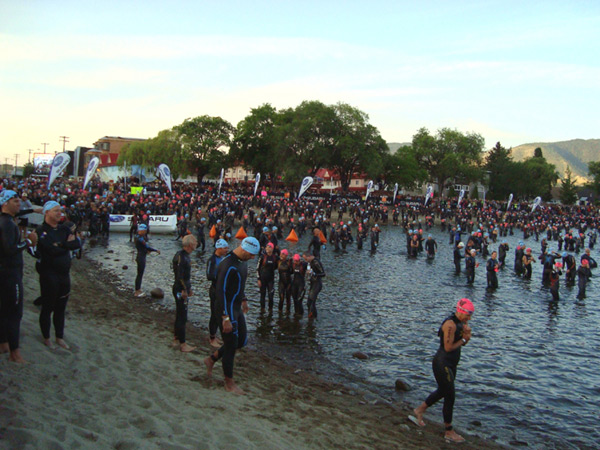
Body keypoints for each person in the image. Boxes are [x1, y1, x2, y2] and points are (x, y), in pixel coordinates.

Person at [409, 298, 474, 443]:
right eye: (468, 315)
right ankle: (449, 431)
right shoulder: (450, 324)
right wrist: (464, 339)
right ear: (460, 311)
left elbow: (460, 343)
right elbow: (448, 347)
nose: (469, 318)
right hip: (442, 363)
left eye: (471, 315)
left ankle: (419, 410)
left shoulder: (461, 323)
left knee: (444, 391)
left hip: (451, 364)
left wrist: (466, 337)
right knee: (450, 395)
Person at [204, 236, 260, 395]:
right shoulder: (227, 264)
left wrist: (244, 300)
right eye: (251, 254)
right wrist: (224, 318)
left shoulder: (243, 261)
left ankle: (211, 359)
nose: (253, 258)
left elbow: (239, 284)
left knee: (241, 341)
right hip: (225, 309)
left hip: (236, 307)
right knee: (230, 345)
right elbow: (220, 292)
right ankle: (229, 383)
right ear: (243, 249)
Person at [35, 201, 81, 349]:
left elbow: (76, 244)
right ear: (46, 212)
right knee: (48, 307)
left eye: (60, 210)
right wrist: (64, 246)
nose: (59, 213)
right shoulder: (41, 230)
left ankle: (59, 337)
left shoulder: (63, 229)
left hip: (64, 274)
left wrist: (61, 245)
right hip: (49, 273)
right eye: (56, 211)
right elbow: (49, 249)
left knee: (61, 307)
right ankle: (47, 337)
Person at [0, 190, 38, 363]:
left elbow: (20, 212)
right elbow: (10, 249)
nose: (19, 204)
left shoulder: (5, 220)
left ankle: (3, 343)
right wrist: (29, 242)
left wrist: (32, 211)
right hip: (10, 274)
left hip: (5, 272)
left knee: (3, 310)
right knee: (15, 313)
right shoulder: (7, 224)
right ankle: (14, 353)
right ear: (5, 203)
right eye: (15, 201)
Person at [172, 234, 197, 352]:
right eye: (195, 242)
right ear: (190, 244)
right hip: (179, 289)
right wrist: (184, 290)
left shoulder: (184, 255)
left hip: (181, 287)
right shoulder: (181, 257)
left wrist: (189, 288)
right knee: (182, 316)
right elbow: (180, 276)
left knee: (180, 314)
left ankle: (176, 338)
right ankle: (183, 344)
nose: (196, 244)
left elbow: (186, 277)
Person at [206, 238, 229, 347]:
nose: (227, 250)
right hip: (215, 290)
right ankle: (212, 338)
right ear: (218, 248)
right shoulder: (212, 260)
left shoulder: (223, 259)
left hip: (222, 290)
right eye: (225, 248)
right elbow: (209, 276)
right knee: (214, 315)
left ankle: (216, 335)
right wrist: (220, 277)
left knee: (221, 314)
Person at [133, 224, 160, 297]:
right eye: (144, 231)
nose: (145, 232)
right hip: (141, 257)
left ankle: (138, 289)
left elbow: (142, 248)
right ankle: (137, 291)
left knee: (139, 274)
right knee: (140, 274)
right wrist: (156, 250)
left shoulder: (136, 237)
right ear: (141, 230)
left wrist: (146, 251)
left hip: (140, 255)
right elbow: (146, 246)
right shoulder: (140, 238)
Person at [302, 251, 326, 319]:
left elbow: (323, 274)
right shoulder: (310, 262)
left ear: (309, 256)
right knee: (309, 303)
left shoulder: (316, 262)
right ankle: (312, 318)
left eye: (306, 259)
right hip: (313, 283)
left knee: (312, 302)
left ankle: (313, 318)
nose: (305, 261)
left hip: (317, 284)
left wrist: (314, 274)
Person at [277, 249, 293, 313]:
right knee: (281, 298)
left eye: (283, 254)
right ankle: (280, 312)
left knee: (288, 299)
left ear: (286, 255)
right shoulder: (278, 261)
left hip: (288, 282)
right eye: (281, 253)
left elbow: (292, 271)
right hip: (281, 282)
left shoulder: (289, 262)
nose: (281, 255)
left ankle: (288, 312)